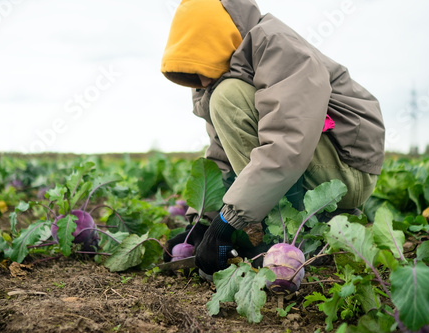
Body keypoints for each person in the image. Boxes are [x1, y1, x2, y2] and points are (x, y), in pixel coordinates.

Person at [160, 0, 385, 276]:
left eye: (200, 69)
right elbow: (222, 152)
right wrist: (202, 223)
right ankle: (325, 220)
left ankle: (291, 234)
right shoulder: (223, 75)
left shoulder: (276, 46)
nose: (202, 83)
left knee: (227, 97)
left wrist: (225, 223)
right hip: (313, 162)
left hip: (346, 167)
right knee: (225, 95)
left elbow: (288, 142)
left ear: (219, 41)